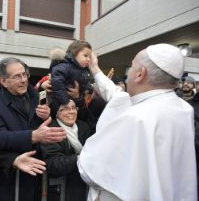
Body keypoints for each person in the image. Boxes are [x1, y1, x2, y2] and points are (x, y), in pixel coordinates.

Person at [78, 44, 197, 201]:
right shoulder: (182, 108)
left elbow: (91, 173)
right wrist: (95, 69)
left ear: (140, 74)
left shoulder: (137, 117)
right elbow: (116, 95)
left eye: (132, 67)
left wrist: (82, 159)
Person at [0, 57, 67, 201]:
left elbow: (44, 126)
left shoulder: (37, 97)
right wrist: (33, 136)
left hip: (39, 180)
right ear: (3, 81)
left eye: (25, 74)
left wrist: (46, 115)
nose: (23, 80)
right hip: (11, 182)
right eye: (16, 76)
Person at [41, 99, 91, 201]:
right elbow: (54, 163)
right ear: (57, 112)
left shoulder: (83, 127)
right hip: (61, 191)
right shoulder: (50, 131)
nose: (71, 112)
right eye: (65, 109)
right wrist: (77, 158)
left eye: (73, 108)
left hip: (83, 187)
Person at [49, 40, 94, 105]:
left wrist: (89, 89)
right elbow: (58, 84)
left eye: (90, 57)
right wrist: (65, 102)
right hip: (59, 102)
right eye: (85, 56)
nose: (88, 59)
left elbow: (85, 82)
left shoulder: (84, 70)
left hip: (74, 101)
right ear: (74, 54)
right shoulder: (64, 66)